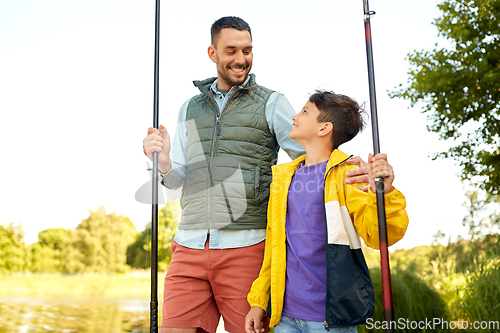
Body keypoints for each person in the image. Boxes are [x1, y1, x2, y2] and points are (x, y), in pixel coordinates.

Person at [142, 17, 370, 333]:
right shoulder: (188, 108)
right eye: (231, 50)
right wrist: (163, 161)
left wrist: (353, 169)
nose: (241, 59)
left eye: (247, 50)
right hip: (189, 245)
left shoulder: (271, 102)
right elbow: (178, 177)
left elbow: (313, 156)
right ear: (212, 53)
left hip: (247, 247)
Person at [244, 91, 409, 333]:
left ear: (324, 128)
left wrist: (382, 194)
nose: (294, 116)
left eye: (304, 112)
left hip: (329, 319)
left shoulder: (349, 175)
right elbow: (275, 247)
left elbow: (382, 236)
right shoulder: (283, 179)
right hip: (285, 317)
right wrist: (259, 300)